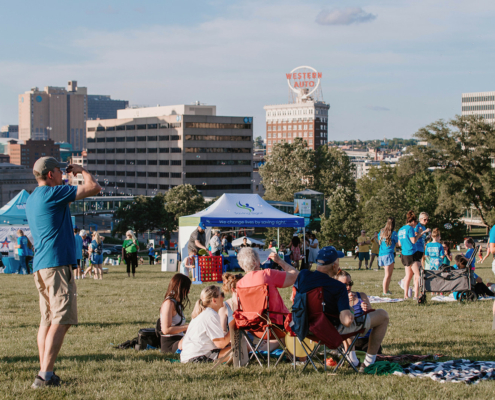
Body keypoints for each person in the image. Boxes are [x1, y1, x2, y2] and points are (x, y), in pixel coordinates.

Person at [25, 156, 101, 388]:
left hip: (42, 265)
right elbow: (94, 188)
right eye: (60, 170)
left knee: (47, 320)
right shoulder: (52, 193)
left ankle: (45, 372)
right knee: (63, 318)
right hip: (56, 265)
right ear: (50, 175)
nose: (63, 173)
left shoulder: (32, 198)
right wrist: (81, 170)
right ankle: (45, 375)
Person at [294, 246, 389, 372]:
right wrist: (350, 309)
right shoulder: (338, 287)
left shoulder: (303, 276)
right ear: (334, 266)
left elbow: (294, 298)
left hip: (306, 329)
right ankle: (368, 363)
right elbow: (346, 321)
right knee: (382, 315)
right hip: (331, 331)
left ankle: (353, 359)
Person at [237, 247, 298, 328]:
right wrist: (279, 261)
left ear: (241, 265)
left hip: (253, 327)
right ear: (256, 262)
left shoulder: (239, 284)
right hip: (277, 325)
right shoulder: (267, 275)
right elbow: (296, 275)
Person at [180, 285, 234, 363]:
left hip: (189, 356)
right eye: (221, 295)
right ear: (214, 300)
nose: (223, 297)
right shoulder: (211, 315)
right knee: (241, 348)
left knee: (236, 347)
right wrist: (233, 326)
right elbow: (221, 344)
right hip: (197, 358)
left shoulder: (201, 313)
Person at [336, 270, 380, 360]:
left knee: (377, 355)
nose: (348, 287)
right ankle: (352, 356)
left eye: (350, 283)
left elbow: (371, 316)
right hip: (348, 339)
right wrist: (346, 303)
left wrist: (366, 310)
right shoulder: (336, 299)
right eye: (345, 285)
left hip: (365, 337)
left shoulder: (361, 296)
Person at [398, 211, 429, 300]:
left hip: (404, 254)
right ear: (414, 221)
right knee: (418, 274)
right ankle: (416, 295)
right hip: (412, 253)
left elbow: (399, 243)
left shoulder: (401, 229)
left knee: (408, 276)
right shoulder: (410, 228)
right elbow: (413, 241)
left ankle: (406, 296)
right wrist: (421, 233)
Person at [159, 274, 191, 354]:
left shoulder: (176, 303)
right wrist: (187, 327)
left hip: (179, 340)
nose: (188, 292)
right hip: (170, 344)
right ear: (180, 288)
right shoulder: (169, 303)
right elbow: (166, 330)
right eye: (187, 289)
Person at [378, 217, 398, 296]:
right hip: (389, 254)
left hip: (381, 255)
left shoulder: (381, 232)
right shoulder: (394, 233)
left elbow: (379, 243)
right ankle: (385, 292)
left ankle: (386, 290)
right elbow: (397, 244)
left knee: (388, 274)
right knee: (387, 275)